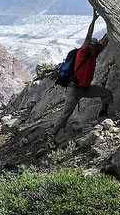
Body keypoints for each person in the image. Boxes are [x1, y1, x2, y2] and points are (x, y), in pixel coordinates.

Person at [48, 8, 113, 147]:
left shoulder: (93, 55)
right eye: (95, 46)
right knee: (66, 114)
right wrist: (93, 21)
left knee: (107, 94)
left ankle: (102, 115)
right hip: (74, 89)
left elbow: (106, 43)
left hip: (85, 88)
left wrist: (112, 26)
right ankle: (52, 135)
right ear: (90, 46)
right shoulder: (83, 53)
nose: (97, 48)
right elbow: (88, 37)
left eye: (97, 47)